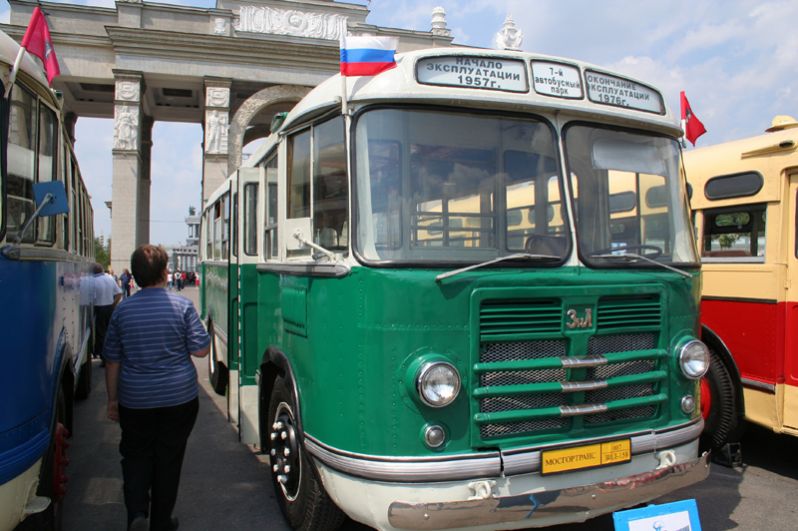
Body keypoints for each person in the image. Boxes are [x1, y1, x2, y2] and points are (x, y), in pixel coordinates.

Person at [104, 244, 210, 531]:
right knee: (169, 458)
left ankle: (137, 513)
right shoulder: (182, 306)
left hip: (135, 400)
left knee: (136, 455)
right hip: (178, 399)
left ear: (135, 277)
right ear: (165, 272)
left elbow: (112, 360)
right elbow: (201, 351)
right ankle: (162, 522)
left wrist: (112, 400)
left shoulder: (122, 311)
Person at [92, 263, 122, 364]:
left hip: (99, 308)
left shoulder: (93, 281)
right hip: (110, 308)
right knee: (109, 332)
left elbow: (92, 298)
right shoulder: (109, 278)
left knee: (101, 333)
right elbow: (119, 293)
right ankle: (108, 355)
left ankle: (103, 356)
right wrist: (113, 305)